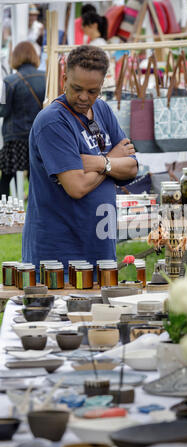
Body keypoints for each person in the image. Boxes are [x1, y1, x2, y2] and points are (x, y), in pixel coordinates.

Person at [22, 45, 138, 277]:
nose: (84, 97)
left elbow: (133, 167)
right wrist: (112, 160)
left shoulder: (102, 110)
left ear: (102, 84)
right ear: (64, 78)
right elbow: (76, 186)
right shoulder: (53, 122)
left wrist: (99, 162)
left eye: (92, 91)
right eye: (77, 89)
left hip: (99, 249)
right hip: (60, 257)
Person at [0, 41, 45, 197]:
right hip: (39, 135)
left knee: (6, 177)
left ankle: (3, 214)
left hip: (15, 137)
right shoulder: (46, 77)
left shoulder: (9, 81)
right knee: (36, 176)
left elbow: (3, 111)